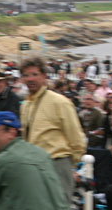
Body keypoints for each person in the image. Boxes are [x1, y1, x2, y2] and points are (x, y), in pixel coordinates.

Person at [19, 56, 86, 201]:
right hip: (33, 167)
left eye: (35, 74)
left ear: (44, 76)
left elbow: (76, 137)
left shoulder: (59, 102)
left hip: (57, 163)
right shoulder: (25, 105)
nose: (30, 79)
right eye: (26, 75)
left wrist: (69, 165)